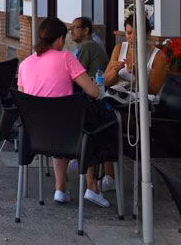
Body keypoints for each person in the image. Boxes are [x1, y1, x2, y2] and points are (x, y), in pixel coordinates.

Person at [18, 17, 115, 208]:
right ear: (60, 39)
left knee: (59, 119)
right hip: (66, 134)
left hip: (35, 134)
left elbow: (24, 99)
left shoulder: (25, 64)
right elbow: (94, 92)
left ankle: (60, 188)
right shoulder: (66, 58)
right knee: (93, 122)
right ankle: (92, 186)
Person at [103, 14, 167, 94]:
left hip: (142, 100)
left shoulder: (158, 56)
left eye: (138, 34)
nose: (133, 37)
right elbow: (105, 81)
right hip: (117, 97)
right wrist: (115, 70)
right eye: (129, 33)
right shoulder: (119, 48)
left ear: (147, 34)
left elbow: (153, 91)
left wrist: (136, 73)